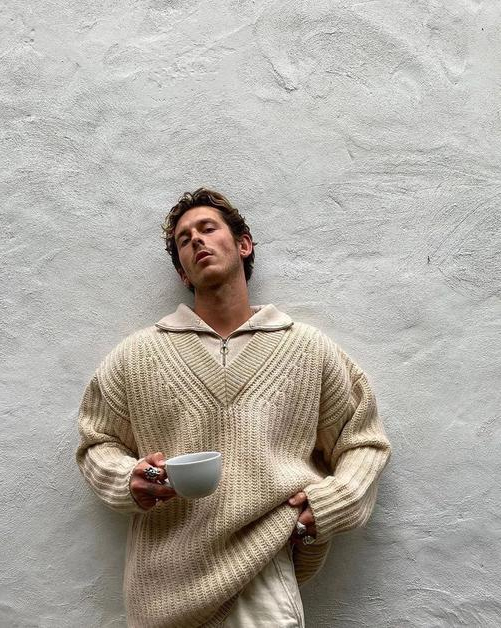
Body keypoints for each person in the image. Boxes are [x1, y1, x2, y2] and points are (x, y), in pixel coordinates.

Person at [75, 187, 392, 628]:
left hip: (263, 577)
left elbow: (363, 441)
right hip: (161, 586)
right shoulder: (136, 356)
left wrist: (330, 504)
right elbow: (96, 441)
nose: (196, 240)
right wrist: (128, 479)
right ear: (182, 272)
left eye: (207, 228)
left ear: (243, 244)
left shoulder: (307, 349)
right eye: (184, 240)